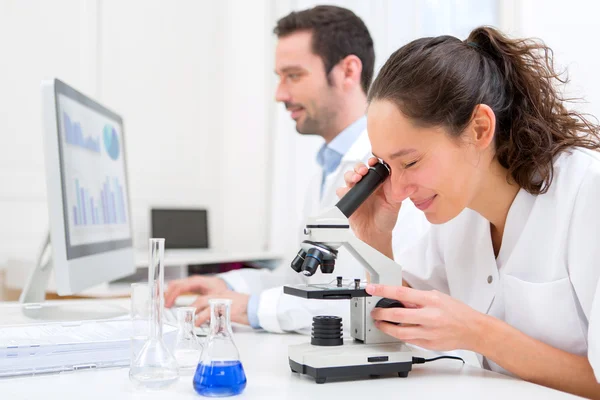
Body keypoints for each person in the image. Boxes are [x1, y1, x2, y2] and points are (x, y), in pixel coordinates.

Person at [338, 26, 600, 398]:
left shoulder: (587, 193)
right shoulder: (458, 214)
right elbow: (408, 323)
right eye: (385, 167)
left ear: (479, 128)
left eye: (410, 161)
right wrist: (375, 237)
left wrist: (479, 333)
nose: (396, 190)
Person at [164, 6, 428, 334]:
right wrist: (222, 283)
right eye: (279, 77)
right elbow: (302, 280)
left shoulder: (395, 172)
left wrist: (252, 307)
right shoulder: (326, 166)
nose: (280, 94)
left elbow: (385, 297)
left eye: (294, 75)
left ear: (348, 71)